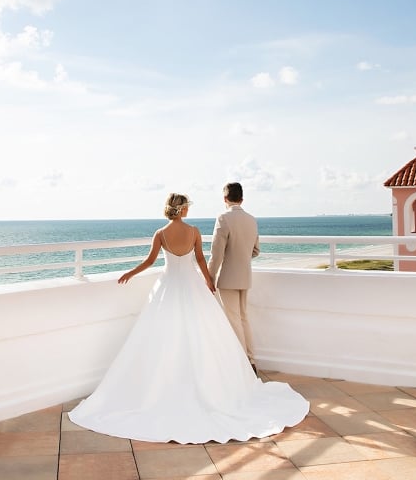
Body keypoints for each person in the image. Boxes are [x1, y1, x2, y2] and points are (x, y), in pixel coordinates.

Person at [68, 192, 309, 444]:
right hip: (192, 286)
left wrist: (130, 272)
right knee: (202, 334)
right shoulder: (193, 231)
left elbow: (150, 261)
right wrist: (208, 280)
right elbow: (202, 260)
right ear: (183, 210)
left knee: (164, 336)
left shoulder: (160, 233)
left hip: (168, 288)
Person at [208, 182, 260, 372]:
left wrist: (210, 277)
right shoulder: (252, 220)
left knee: (233, 320)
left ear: (225, 199)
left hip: (228, 278)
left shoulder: (223, 218)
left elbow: (216, 253)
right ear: (242, 198)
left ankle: (241, 365)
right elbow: (255, 250)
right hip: (245, 276)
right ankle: (251, 361)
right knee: (244, 318)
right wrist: (242, 257)